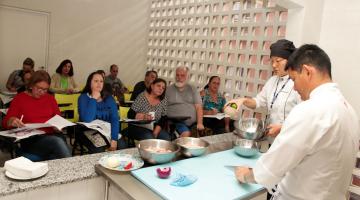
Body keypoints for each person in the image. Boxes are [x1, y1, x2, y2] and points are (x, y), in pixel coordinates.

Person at [234, 44, 359, 200]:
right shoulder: (349, 111)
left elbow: (270, 169)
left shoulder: (310, 109)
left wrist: (246, 175)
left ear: (307, 72)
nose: (294, 87)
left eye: (294, 79)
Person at [226, 39, 301, 138]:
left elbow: (303, 118)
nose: (274, 65)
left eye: (278, 61)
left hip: (291, 137)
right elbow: (257, 102)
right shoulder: (272, 81)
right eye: (272, 61)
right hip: (273, 137)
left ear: (289, 60)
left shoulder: (298, 83)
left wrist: (282, 127)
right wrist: (242, 100)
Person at [2, 70, 71, 160]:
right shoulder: (19, 99)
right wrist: (12, 121)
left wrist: (58, 127)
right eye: (39, 88)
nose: (42, 92)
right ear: (31, 85)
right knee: (58, 144)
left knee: (58, 149)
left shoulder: (50, 99)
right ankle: (74, 170)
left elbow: (58, 119)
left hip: (52, 136)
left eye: (45, 89)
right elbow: (5, 123)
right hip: (31, 140)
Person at [77, 71, 126, 153]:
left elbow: (114, 119)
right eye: (96, 81)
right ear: (90, 83)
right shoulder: (83, 97)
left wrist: (114, 139)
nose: (99, 84)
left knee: (122, 145)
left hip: (106, 129)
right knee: (99, 147)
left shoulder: (109, 98)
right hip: (87, 130)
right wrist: (93, 99)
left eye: (101, 81)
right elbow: (87, 119)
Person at [166, 66, 204, 137]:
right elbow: (162, 108)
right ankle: (177, 147)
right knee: (186, 133)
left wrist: (200, 123)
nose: (179, 78)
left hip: (192, 123)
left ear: (187, 77)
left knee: (202, 135)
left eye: (182, 75)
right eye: (177, 75)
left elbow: (198, 107)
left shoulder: (193, 89)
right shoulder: (168, 90)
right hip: (175, 122)